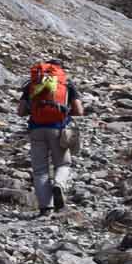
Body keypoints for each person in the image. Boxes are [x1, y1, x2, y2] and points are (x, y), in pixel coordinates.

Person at [22, 59, 82, 215]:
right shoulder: (66, 84)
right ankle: (59, 185)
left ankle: (45, 208)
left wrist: (35, 110)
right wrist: (64, 111)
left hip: (36, 129)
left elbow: (20, 111)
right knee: (63, 164)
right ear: (60, 70)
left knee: (40, 170)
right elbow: (79, 110)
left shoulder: (32, 83)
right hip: (58, 129)